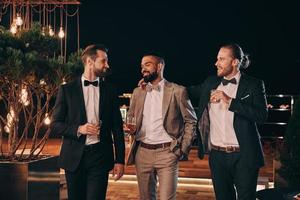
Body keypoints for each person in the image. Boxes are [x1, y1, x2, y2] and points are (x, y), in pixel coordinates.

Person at [188, 43, 268, 200]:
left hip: (244, 155)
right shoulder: (210, 83)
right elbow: (186, 91)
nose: (216, 63)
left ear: (235, 62)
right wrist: (158, 83)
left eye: (221, 59)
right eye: (217, 59)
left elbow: (262, 115)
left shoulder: (253, 84)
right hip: (217, 156)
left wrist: (230, 102)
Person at [51, 44, 125, 200]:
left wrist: (120, 160)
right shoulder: (67, 90)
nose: (107, 65)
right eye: (103, 61)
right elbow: (55, 125)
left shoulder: (110, 90)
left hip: (100, 156)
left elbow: (117, 127)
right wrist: (79, 129)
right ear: (90, 61)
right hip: (74, 157)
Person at [125, 53, 197, 200]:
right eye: (141, 66)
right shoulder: (138, 92)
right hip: (142, 153)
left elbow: (191, 121)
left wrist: (182, 149)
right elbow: (131, 118)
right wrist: (130, 128)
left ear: (159, 66)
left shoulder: (177, 91)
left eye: (147, 64)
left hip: (168, 153)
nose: (143, 69)